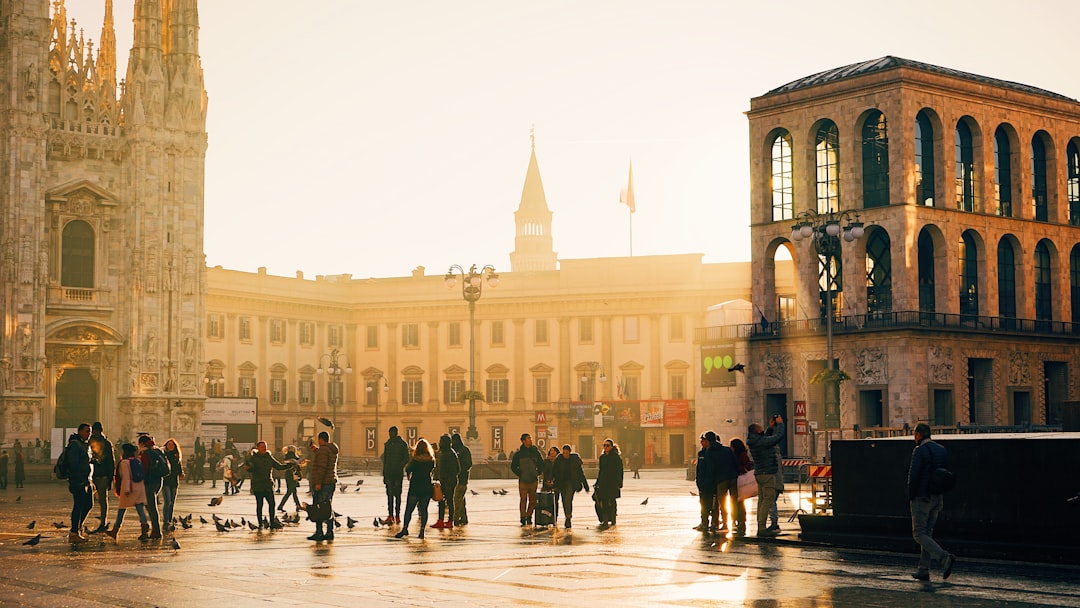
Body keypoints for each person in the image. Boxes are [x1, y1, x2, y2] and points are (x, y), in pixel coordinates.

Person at [908, 423, 956, 581]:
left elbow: (913, 476)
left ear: (919, 435)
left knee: (919, 533)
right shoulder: (941, 449)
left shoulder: (919, 450)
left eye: (915, 434)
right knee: (927, 533)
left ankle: (944, 558)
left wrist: (911, 495)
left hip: (922, 498)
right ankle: (923, 569)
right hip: (938, 497)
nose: (914, 438)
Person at [747, 416, 785, 537]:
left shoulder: (755, 441)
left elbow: (765, 439)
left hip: (760, 473)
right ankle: (762, 528)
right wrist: (780, 425)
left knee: (762, 501)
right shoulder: (760, 442)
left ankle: (760, 525)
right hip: (768, 474)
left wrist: (771, 427)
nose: (762, 428)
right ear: (757, 431)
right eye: (760, 427)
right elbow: (777, 438)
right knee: (767, 500)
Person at [105, 443, 150, 541]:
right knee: (140, 508)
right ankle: (144, 527)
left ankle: (115, 530)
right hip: (140, 487)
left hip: (130, 488)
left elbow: (126, 477)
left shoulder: (124, 462)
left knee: (121, 509)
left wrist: (126, 490)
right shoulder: (137, 460)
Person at [246, 440, 293, 529]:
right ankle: (260, 523)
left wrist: (289, 465)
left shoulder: (269, 457)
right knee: (260, 504)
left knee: (272, 503)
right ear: (258, 448)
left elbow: (278, 466)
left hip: (268, 484)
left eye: (265, 446)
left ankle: (272, 522)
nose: (264, 448)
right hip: (258, 485)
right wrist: (248, 468)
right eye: (262, 446)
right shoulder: (253, 458)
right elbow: (251, 468)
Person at [394, 438, 434, 539]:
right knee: (424, 510)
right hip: (426, 487)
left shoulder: (415, 460)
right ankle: (422, 531)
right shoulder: (431, 460)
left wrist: (408, 475)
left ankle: (405, 528)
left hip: (415, 487)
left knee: (409, 509)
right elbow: (432, 470)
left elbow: (408, 468)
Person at [64, 423, 95, 543]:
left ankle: (77, 527)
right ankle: (74, 532)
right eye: (87, 431)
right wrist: (78, 480)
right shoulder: (75, 445)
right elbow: (73, 464)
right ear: (80, 431)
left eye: (90, 431)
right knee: (78, 505)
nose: (89, 434)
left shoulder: (84, 445)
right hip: (78, 481)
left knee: (88, 504)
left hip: (86, 480)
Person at [308, 431, 339, 541]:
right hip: (331, 482)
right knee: (327, 508)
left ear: (321, 439)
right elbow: (326, 459)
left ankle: (319, 532)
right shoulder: (331, 449)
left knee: (319, 508)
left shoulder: (323, 451)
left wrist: (317, 483)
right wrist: (317, 451)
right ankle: (329, 532)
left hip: (324, 483)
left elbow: (321, 467)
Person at [550, 444, 589, 528]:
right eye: (563, 453)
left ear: (570, 452)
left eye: (566, 453)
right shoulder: (559, 459)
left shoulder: (574, 460)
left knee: (568, 499)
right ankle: (566, 516)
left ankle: (568, 517)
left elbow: (580, 473)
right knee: (564, 500)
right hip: (561, 483)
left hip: (571, 483)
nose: (565, 455)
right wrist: (550, 479)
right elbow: (553, 470)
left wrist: (585, 485)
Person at [510, 433, 544, 526]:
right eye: (529, 438)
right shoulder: (519, 454)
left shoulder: (535, 452)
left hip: (533, 480)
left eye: (531, 438)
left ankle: (529, 515)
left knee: (532, 500)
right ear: (523, 441)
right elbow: (513, 466)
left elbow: (541, 464)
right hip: (523, 480)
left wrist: (537, 473)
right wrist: (520, 474)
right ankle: (523, 516)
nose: (531, 440)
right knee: (523, 499)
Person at [137, 435, 166, 540]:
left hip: (149, 482)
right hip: (158, 481)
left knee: (151, 507)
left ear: (142, 444)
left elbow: (144, 469)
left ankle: (156, 531)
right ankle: (155, 529)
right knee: (150, 506)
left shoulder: (145, 453)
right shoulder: (158, 451)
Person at [88, 421, 115, 533]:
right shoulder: (104, 443)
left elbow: (110, 461)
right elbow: (111, 462)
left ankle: (103, 522)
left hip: (97, 475)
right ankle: (103, 521)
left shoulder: (92, 442)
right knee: (100, 500)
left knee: (100, 500)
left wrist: (110, 477)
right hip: (97, 475)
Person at [382, 426, 410, 525]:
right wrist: (384, 474)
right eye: (390, 433)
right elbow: (385, 460)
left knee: (397, 495)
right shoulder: (388, 444)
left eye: (392, 433)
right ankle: (391, 515)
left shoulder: (402, 444)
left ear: (395, 433)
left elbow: (407, 457)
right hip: (390, 473)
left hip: (397, 473)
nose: (390, 435)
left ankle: (397, 515)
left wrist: (399, 466)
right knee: (390, 495)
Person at [432, 434, 459, 529]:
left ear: (446, 443)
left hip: (449, 482)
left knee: (450, 501)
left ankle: (450, 521)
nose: (439, 443)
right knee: (441, 501)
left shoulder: (451, 454)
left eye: (441, 442)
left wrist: (449, 481)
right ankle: (440, 520)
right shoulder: (442, 453)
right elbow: (438, 467)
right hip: (442, 481)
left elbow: (457, 469)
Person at [595, 439, 624, 526]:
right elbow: (601, 471)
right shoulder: (602, 458)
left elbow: (620, 471)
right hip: (603, 483)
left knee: (612, 500)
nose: (606, 447)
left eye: (607, 445)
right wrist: (597, 482)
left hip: (613, 483)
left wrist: (619, 483)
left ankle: (613, 518)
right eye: (604, 445)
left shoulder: (616, 457)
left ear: (611, 447)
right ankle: (605, 519)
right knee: (603, 501)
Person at [694, 433, 717, 533]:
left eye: (704, 441)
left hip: (713, 483)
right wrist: (699, 481)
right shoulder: (701, 453)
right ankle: (704, 523)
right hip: (703, 484)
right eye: (701, 441)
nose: (702, 443)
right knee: (703, 505)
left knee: (714, 505)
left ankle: (714, 523)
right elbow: (699, 469)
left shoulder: (715, 453)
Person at [730, 437, 753, 537]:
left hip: (741, 481)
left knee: (739, 502)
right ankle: (736, 520)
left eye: (731, 446)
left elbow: (746, 466)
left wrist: (737, 467)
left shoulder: (742, 455)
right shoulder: (733, 455)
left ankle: (741, 521)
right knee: (735, 501)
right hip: (735, 481)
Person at [161, 438, 184, 532]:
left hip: (174, 482)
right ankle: (165, 521)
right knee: (168, 501)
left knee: (172, 503)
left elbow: (179, 468)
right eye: (169, 444)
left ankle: (169, 520)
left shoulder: (176, 456)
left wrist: (181, 473)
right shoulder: (163, 455)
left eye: (172, 445)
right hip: (166, 481)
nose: (170, 446)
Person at [450, 433, 473, 526]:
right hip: (457, 479)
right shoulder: (456, 450)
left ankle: (455, 518)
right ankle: (464, 517)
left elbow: (468, 464)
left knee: (457, 499)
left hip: (462, 479)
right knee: (460, 499)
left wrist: (460, 471)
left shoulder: (463, 450)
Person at [765, 423, 784, 532]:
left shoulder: (772, 454)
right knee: (771, 503)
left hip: (773, 481)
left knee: (771, 503)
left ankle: (774, 523)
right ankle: (774, 522)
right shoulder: (777, 453)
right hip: (777, 482)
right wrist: (770, 427)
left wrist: (779, 425)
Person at [278, 445, 302, 512]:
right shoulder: (294, 457)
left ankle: (298, 505)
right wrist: (300, 474)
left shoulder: (286, 457)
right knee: (290, 491)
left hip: (288, 475)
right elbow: (297, 466)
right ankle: (281, 506)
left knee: (293, 491)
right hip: (293, 475)